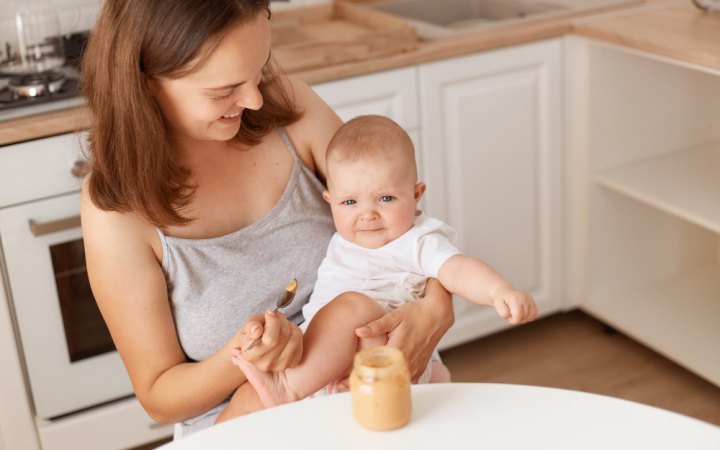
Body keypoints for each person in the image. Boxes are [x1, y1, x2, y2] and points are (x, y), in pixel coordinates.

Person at [79, 0, 455, 438]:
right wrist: (243, 355)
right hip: (248, 427)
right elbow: (159, 395)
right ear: (145, 85)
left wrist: (436, 309)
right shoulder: (117, 209)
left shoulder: (292, 110)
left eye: (258, 72)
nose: (254, 99)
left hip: (377, 394)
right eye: (225, 89)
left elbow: (404, 225)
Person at [225, 115, 538, 412]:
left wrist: (499, 291)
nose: (367, 214)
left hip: (386, 360)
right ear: (330, 201)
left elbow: (458, 268)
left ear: (416, 195)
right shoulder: (344, 239)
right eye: (350, 202)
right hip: (323, 370)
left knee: (353, 307)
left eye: (385, 199)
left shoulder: (418, 241)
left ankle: (287, 388)